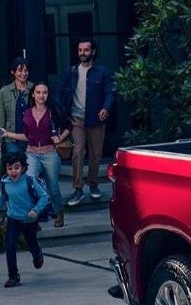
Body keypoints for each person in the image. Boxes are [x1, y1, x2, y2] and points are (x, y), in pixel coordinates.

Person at [0, 82, 69, 227]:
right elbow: (27, 136)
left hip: (49, 153)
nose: (41, 95)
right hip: (31, 153)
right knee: (29, 185)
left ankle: (59, 212)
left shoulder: (52, 111)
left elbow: (69, 126)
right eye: (38, 92)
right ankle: (33, 217)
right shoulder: (27, 113)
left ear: (48, 95)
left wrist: (60, 138)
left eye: (44, 92)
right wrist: (8, 134)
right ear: (33, 94)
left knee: (53, 187)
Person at [57, 38, 115, 206]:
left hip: (96, 119)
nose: (82, 53)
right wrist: (62, 115)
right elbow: (60, 93)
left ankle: (94, 184)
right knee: (77, 152)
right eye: (80, 50)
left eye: (86, 50)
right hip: (76, 119)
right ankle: (78, 189)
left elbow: (110, 91)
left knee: (96, 154)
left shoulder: (102, 71)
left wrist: (106, 107)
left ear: (93, 52)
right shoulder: (71, 71)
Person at [0, 152, 50, 288]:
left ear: (23, 168)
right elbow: (2, 197)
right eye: (10, 168)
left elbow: (44, 197)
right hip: (13, 219)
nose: (13, 171)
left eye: (16, 167)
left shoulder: (29, 181)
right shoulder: (5, 183)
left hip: (29, 220)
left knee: (31, 243)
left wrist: (36, 210)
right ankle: (13, 276)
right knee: (10, 247)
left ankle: (37, 254)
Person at [0, 57, 32, 163]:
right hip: (11, 138)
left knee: (30, 169)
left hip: (30, 138)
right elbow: (1, 117)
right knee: (15, 166)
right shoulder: (5, 91)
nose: (23, 73)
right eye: (20, 70)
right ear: (13, 72)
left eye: (26, 70)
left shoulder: (34, 89)